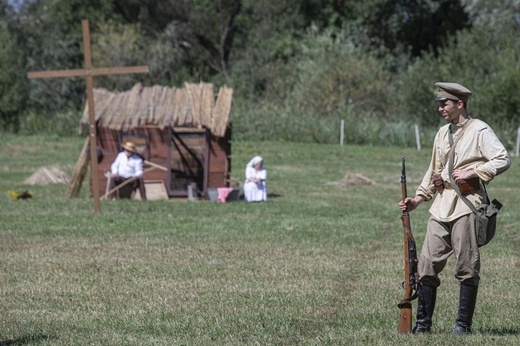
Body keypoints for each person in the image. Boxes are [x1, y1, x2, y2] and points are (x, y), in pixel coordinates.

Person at [398, 82, 510, 335]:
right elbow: (433, 170)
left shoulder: (480, 129)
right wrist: (418, 198)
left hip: (468, 204)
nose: (440, 108)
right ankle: (423, 325)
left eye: (444, 103)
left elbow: (503, 158)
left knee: (466, 266)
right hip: (441, 206)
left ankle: (463, 326)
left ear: (459, 104)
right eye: (439, 104)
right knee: (426, 264)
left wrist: (476, 171)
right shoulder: (442, 133)